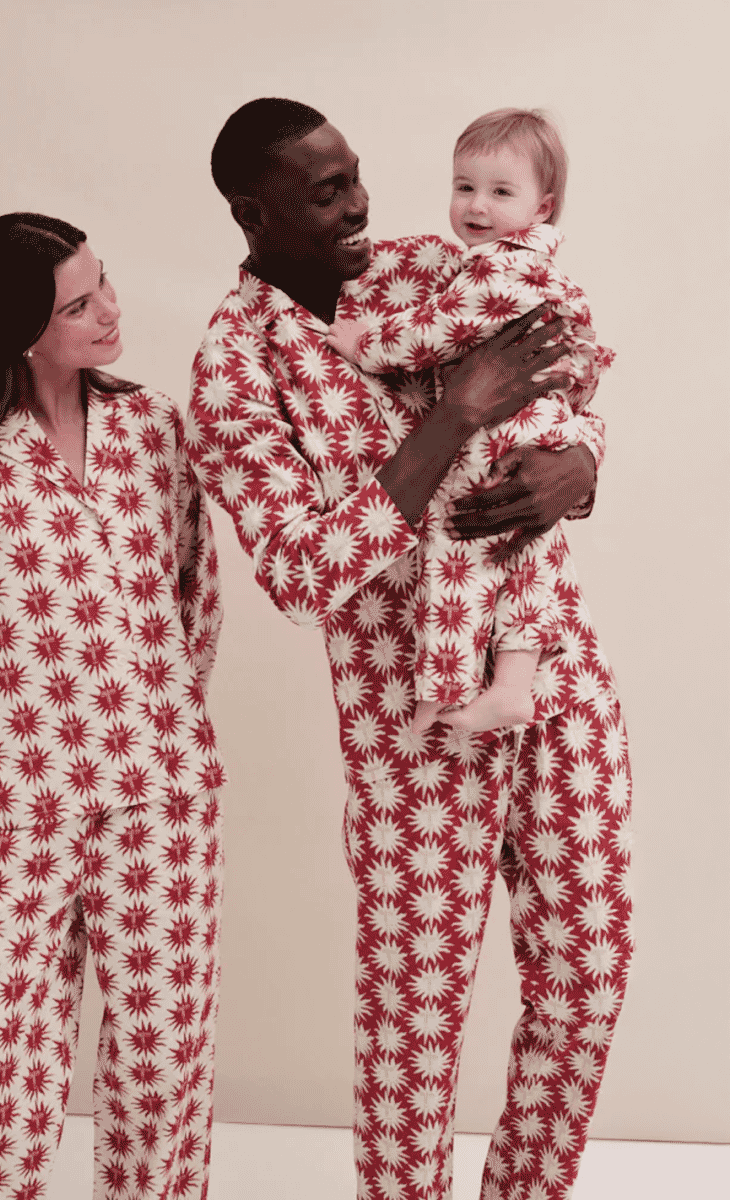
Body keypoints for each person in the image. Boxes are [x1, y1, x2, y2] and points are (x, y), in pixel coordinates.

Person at [187, 99, 632, 1200]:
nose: (357, 205)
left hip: (551, 670)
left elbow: (568, 366)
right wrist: (450, 419)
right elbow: (297, 572)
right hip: (411, 720)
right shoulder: (232, 368)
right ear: (251, 212)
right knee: (413, 1027)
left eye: (354, 177)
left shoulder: (429, 265)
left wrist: (580, 463)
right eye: (323, 191)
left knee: (588, 976)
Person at [0, 213, 226, 1200]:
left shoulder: (152, 426)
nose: (110, 310)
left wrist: (161, 718)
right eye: (78, 304)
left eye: (104, 284)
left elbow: (194, 590)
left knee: (162, 1064)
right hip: (22, 806)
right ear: (21, 327)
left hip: (159, 798)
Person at [325, 107, 616, 735]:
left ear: (543, 206)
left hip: (507, 435)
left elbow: (432, 335)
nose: (476, 206)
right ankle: (504, 684)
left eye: (500, 191)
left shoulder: (496, 267)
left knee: (463, 547)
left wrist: (362, 344)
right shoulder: (534, 267)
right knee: (521, 557)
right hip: (538, 426)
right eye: (464, 186)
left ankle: (450, 687)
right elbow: (587, 358)